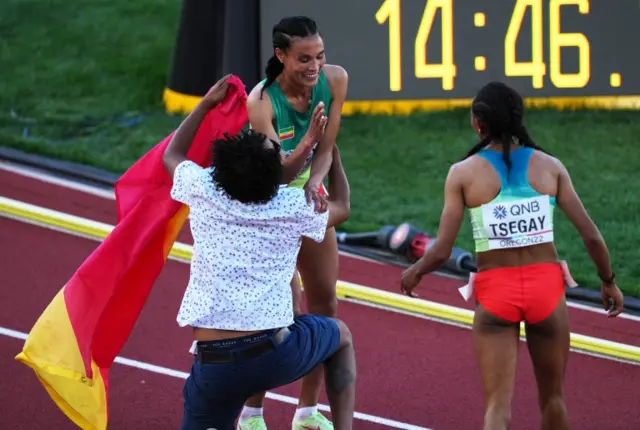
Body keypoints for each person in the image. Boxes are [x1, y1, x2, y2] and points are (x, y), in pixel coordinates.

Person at [399, 81, 624, 430]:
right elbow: (591, 236)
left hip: (495, 295)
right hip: (546, 292)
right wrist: (608, 282)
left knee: (497, 409)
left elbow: (442, 250)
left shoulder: (462, 173)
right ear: (519, 119)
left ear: (478, 123)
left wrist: (414, 271)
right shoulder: (551, 168)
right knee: (553, 399)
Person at [162, 75, 356, 430]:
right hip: (272, 356)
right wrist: (329, 150)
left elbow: (172, 154)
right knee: (339, 334)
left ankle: (252, 416)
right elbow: (342, 205)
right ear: (275, 180)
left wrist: (205, 104)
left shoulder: (203, 188)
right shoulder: (291, 205)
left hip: (212, 366)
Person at [241, 16, 349, 430]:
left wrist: (318, 181)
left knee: (325, 302)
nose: (314, 67)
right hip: (269, 202)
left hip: (307, 197)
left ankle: (307, 411)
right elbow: (275, 176)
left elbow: (328, 146)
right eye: (304, 59)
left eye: (319, 56)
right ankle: (252, 413)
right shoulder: (262, 103)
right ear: (280, 55)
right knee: (277, 309)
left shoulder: (335, 80)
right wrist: (304, 146)